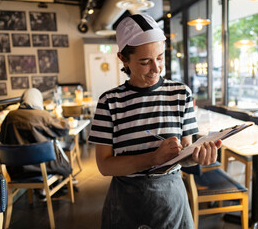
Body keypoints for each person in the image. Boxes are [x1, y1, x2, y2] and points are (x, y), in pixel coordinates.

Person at [88, 14, 222, 229]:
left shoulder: (180, 94)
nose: (156, 68)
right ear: (123, 58)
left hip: (171, 200)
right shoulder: (109, 102)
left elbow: (184, 153)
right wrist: (154, 158)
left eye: (160, 57)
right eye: (145, 62)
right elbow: (104, 165)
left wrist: (197, 157)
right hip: (125, 202)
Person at [0, 88, 72, 179]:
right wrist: (59, 115)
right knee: (64, 164)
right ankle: (52, 187)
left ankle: (41, 190)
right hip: (44, 167)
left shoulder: (10, 116)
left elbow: (1, 139)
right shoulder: (42, 115)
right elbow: (64, 129)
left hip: (17, 170)